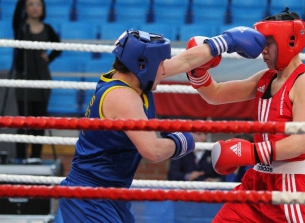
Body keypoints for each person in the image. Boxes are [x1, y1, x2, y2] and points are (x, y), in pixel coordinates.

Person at [56, 27, 266, 222]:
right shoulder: (122, 96)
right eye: (160, 64)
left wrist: (225, 42)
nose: (164, 70)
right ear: (142, 65)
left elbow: (184, 61)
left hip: (109, 193)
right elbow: (154, 151)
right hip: (90, 195)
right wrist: (184, 140)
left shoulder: (132, 78)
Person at [187, 8, 305, 222]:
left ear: (289, 41)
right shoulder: (265, 78)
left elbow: (299, 143)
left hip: (293, 185)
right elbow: (215, 95)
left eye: (269, 43)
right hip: (257, 181)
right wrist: (197, 71)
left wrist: (248, 153)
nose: (263, 51)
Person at [12, 0, 61, 163]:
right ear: (25, 7)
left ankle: (35, 158)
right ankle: (20, 159)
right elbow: (16, 18)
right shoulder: (21, 27)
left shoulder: (47, 29)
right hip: (23, 79)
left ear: (43, 8)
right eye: (30, 4)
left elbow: (58, 46)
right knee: (23, 120)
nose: (35, 7)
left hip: (42, 79)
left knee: (39, 121)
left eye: (38, 4)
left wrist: (49, 57)